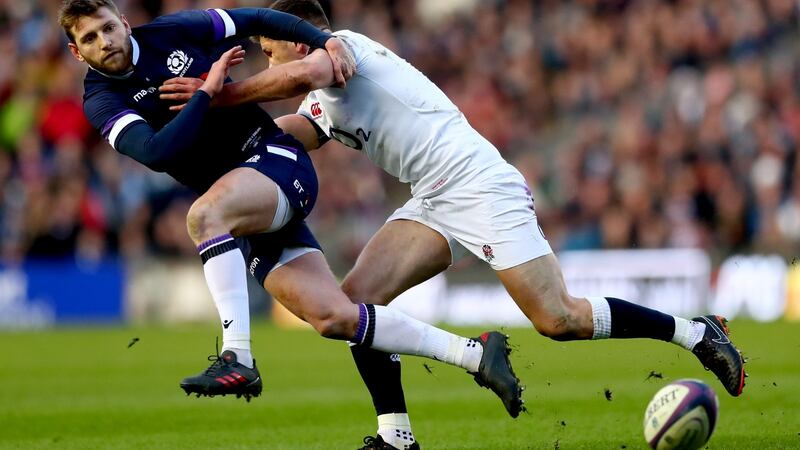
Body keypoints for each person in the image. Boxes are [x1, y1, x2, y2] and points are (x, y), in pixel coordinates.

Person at [160, 1, 747, 449]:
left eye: (269, 51)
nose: (268, 62)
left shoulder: (343, 51)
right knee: (359, 304)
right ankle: (396, 437)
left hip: (478, 184)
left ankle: (695, 333)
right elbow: (278, 139)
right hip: (433, 200)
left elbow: (297, 76)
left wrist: (223, 95)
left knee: (558, 319)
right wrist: (196, 124)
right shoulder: (319, 100)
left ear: (296, 41)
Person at [59, 0, 521, 429]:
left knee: (203, 217)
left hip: (274, 160)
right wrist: (206, 93)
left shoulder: (174, 30)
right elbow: (157, 152)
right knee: (335, 317)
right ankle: (473, 356)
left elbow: (260, 17)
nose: (105, 41)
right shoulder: (100, 100)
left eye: (108, 28)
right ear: (77, 52)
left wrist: (324, 41)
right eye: (91, 38)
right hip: (243, 205)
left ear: (124, 22)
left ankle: (237, 356)